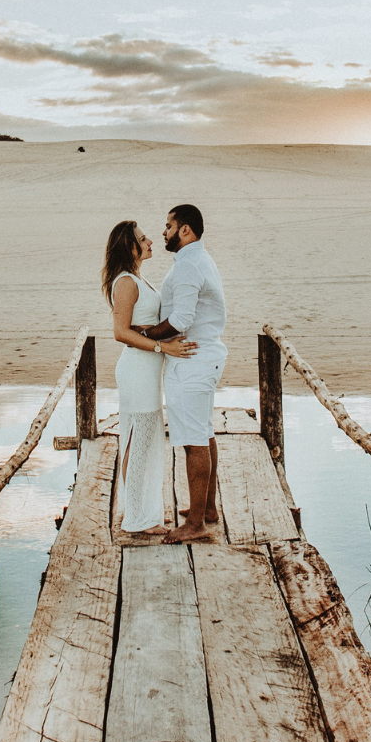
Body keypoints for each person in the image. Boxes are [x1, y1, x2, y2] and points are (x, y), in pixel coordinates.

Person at [136, 203, 226, 544]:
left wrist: (144, 335)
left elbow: (181, 321)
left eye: (168, 226)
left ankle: (196, 527)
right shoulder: (197, 259)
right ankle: (208, 509)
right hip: (201, 356)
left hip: (193, 360)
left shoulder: (190, 266)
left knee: (193, 441)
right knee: (203, 431)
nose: (163, 232)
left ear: (185, 230)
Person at [102, 220, 195, 536]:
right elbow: (120, 332)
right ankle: (138, 520)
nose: (151, 241)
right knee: (137, 441)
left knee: (145, 440)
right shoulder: (126, 282)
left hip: (145, 370)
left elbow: (138, 324)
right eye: (143, 239)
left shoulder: (139, 279)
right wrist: (162, 346)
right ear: (129, 246)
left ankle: (140, 512)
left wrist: (157, 337)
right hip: (137, 371)